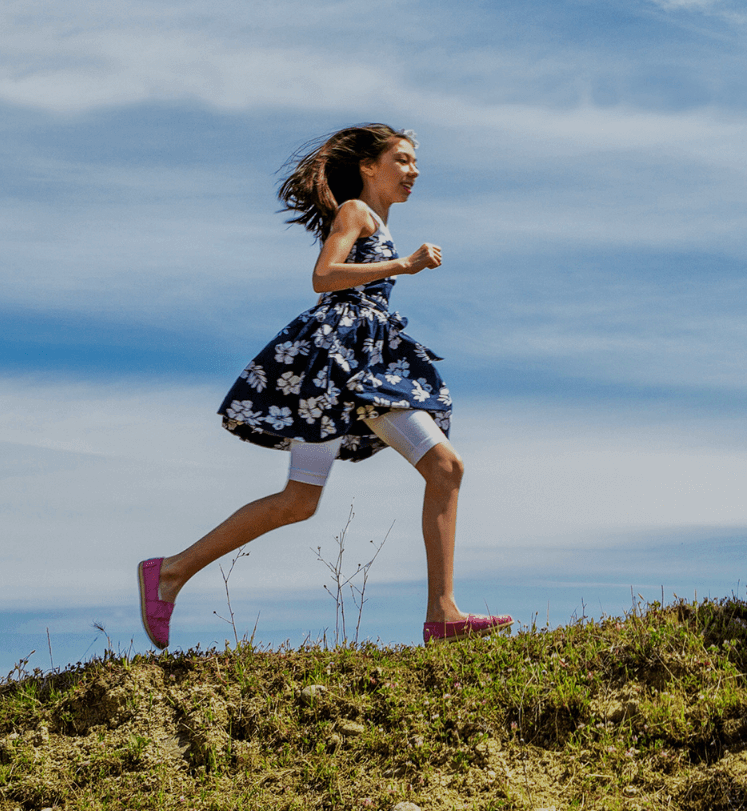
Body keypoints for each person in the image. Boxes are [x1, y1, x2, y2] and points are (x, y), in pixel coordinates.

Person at [135, 124, 510, 647]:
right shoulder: (357, 212)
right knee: (445, 467)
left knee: (299, 501)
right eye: (401, 160)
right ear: (368, 167)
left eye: (414, 163)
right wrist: (406, 264)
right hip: (344, 361)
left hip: (355, 360)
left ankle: (171, 571)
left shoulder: (378, 221)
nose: (413, 171)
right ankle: (443, 615)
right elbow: (324, 275)